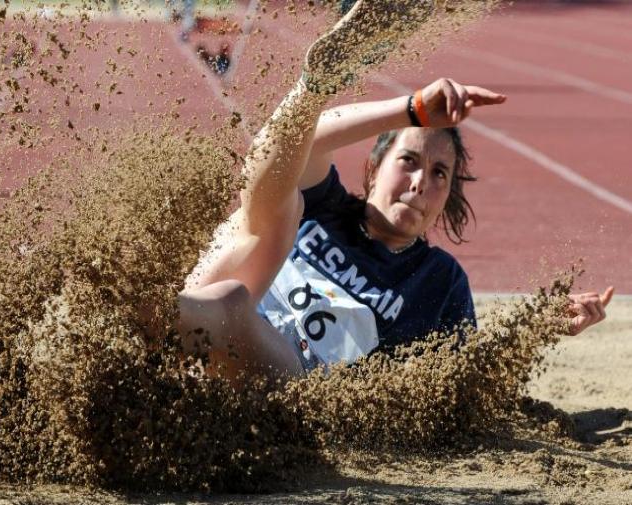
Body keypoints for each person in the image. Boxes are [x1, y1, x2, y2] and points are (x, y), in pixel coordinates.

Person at [161, 0, 614, 381]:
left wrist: (539, 329)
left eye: (440, 174)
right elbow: (307, 141)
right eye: (409, 161)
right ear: (374, 169)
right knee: (278, 204)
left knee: (232, 305)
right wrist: (411, 109)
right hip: (205, 317)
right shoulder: (327, 207)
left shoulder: (438, 280)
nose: (421, 182)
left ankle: (151, 321)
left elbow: (466, 380)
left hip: (288, 380)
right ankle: (312, 86)